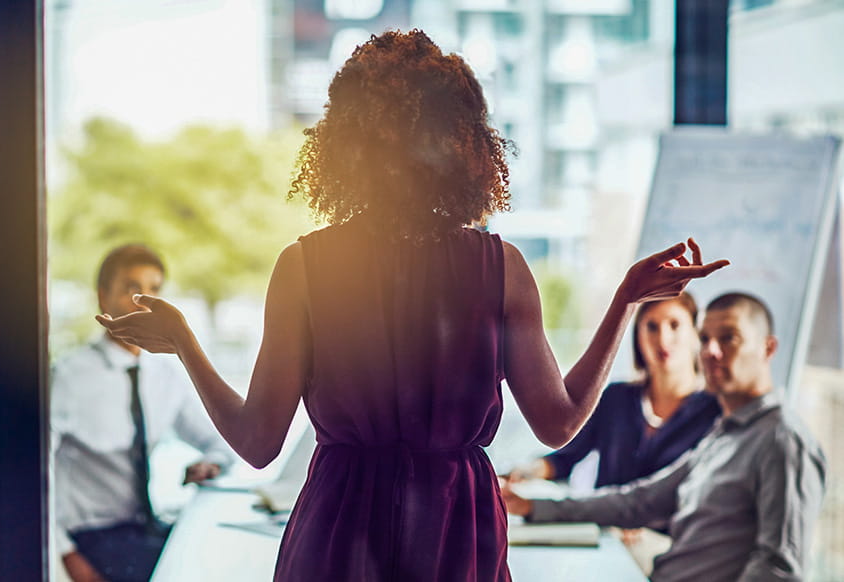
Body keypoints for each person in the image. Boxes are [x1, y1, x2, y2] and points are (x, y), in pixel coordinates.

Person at [97, 30, 727, 581]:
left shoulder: (306, 267)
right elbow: (557, 423)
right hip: (456, 530)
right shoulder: (498, 268)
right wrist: (624, 301)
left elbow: (259, 443)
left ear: (348, 143)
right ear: (460, 142)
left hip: (338, 528)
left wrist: (184, 341)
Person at [501, 292, 827, 582]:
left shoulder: (782, 440)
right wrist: (532, 506)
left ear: (768, 348)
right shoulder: (727, 433)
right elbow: (640, 500)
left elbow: (779, 569)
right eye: (706, 338)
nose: (712, 351)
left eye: (729, 338)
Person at [52, 244, 235, 582]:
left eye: (154, 290)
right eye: (131, 288)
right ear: (102, 297)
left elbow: (222, 441)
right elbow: (19, 477)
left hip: (144, 528)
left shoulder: (165, 375)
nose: (144, 301)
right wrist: (66, 555)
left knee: (219, 556)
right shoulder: (67, 378)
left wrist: (212, 462)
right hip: (91, 538)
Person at [506, 293, 720, 491]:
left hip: (674, 532)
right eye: (652, 327)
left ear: (695, 334)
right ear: (638, 337)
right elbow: (565, 458)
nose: (663, 339)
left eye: (675, 325)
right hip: (606, 528)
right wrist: (525, 472)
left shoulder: (715, 410)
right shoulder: (615, 398)